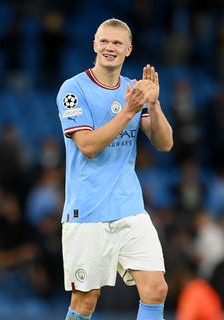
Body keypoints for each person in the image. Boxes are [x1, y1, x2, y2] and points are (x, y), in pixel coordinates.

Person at [55, 18, 173, 320]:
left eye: (117, 43)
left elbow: (165, 143)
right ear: (95, 44)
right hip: (88, 211)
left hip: (129, 208)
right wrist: (130, 111)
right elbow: (89, 146)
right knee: (85, 301)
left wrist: (154, 105)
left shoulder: (135, 89)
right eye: (104, 41)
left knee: (156, 289)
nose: (110, 47)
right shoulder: (73, 89)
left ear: (128, 49)